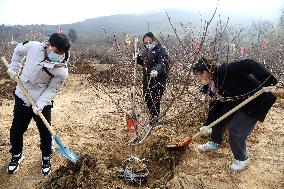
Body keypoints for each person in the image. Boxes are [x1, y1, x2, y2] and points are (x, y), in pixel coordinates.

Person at [192, 57, 277, 172]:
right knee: (219, 117)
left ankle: (242, 159)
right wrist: (208, 124)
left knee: (235, 129)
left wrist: (268, 80)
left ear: (205, 73)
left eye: (198, 76)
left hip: (256, 101)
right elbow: (215, 106)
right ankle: (214, 142)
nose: (198, 80)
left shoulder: (225, 70)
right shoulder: (212, 83)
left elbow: (249, 63)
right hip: (237, 102)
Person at [6, 33, 70, 175]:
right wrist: (14, 68)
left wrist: (40, 104)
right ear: (48, 44)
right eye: (57, 51)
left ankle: (46, 156)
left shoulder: (62, 69)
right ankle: (16, 154)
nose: (59, 55)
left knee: (45, 132)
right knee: (17, 129)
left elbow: (53, 89)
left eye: (62, 53)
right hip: (22, 96)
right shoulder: (33, 47)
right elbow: (18, 50)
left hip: (42, 103)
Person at [137, 32, 170, 124]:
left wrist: (156, 70)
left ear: (154, 41)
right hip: (147, 80)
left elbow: (164, 62)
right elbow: (143, 62)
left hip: (158, 80)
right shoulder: (145, 50)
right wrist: (137, 58)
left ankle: (155, 119)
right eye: (145, 43)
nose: (148, 45)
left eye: (149, 42)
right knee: (147, 99)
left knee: (155, 101)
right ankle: (152, 117)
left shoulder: (161, 49)